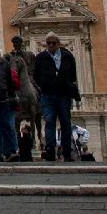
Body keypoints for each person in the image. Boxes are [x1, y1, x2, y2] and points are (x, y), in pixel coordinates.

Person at [33, 32, 80, 163]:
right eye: (49, 43)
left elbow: (73, 74)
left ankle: (67, 152)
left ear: (59, 44)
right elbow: (36, 75)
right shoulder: (41, 57)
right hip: (47, 95)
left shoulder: (67, 56)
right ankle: (50, 151)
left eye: (54, 43)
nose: (51, 45)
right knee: (49, 122)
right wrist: (43, 86)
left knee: (66, 123)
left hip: (64, 95)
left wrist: (68, 85)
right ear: (46, 44)